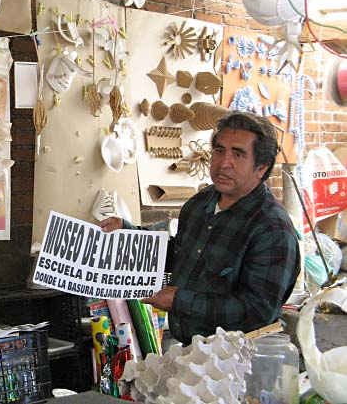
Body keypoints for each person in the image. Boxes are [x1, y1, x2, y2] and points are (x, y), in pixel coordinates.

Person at [99, 111, 300, 345]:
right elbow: (180, 253)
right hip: (192, 350)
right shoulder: (201, 203)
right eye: (219, 150)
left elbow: (256, 311)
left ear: (261, 168)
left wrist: (179, 301)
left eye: (238, 154)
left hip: (241, 360)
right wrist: (127, 234)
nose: (224, 163)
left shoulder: (272, 228)